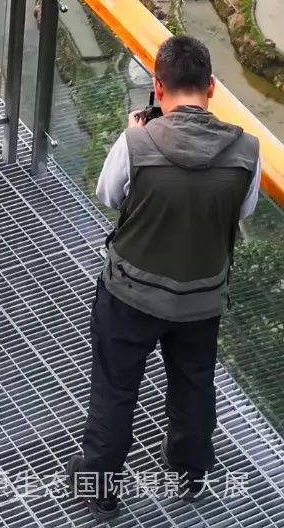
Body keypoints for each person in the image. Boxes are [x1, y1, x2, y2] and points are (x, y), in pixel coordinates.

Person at [68, 35, 261, 519]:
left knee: (115, 389)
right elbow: (245, 208)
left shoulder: (137, 141)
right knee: (194, 386)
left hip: (130, 293)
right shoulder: (248, 150)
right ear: (211, 87)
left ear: (158, 88)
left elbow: (110, 196)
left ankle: (100, 487)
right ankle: (191, 472)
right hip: (202, 298)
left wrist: (132, 137)